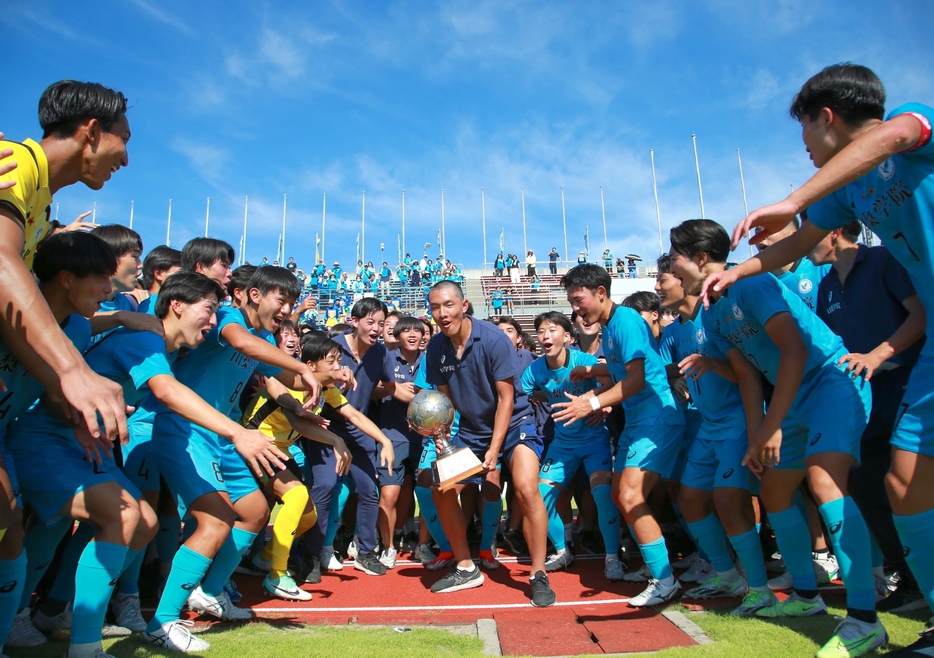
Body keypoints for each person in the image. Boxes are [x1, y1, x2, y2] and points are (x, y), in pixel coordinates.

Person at [702, 64, 934, 656]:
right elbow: (795, 244)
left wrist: (794, 198)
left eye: (804, 134)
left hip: (848, 377)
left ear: (825, 118)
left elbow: (897, 135)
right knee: (903, 482)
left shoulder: (909, 124)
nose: (804, 150)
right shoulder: (845, 192)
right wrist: (735, 271)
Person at [688, 218, 884, 657]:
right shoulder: (711, 308)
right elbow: (749, 375)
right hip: (791, 396)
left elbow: (795, 349)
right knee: (775, 491)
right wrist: (758, 434)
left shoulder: (751, 284)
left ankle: (865, 619)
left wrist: (772, 425)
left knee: (823, 481)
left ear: (700, 259)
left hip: (830, 379)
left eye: (675, 257)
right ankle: (806, 599)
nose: (670, 265)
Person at [143, 266, 323, 652]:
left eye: (293, 302)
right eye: (282, 299)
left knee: (256, 512)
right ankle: (162, 621)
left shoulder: (263, 337)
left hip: (226, 438)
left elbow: (276, 377)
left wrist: (313, 389)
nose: (287, 309)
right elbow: (243, 345)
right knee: (216, 519)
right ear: (254, 295)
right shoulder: (227, 317)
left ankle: (208, 592)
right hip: (188, 430)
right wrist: (302, 367)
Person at [0, 81, 131, 447]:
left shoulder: (41, 205)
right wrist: (72, 370)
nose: (125, 159)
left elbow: (10, 307)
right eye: (124, 138)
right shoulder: (14, 162)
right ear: (91, 132)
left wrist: (58, 387)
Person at [811, 220, 926, 611]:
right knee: (866, 483)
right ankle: (909, 580)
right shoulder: (826, 285)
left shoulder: (883, 260)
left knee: (907, 484)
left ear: (834, 231)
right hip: (862, 398)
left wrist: (878, 355)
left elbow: (921, 313)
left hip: (908, 387)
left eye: (810, 231)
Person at [554, 264, 685, 607]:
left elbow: (636, 380)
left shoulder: (625, 321)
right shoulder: (611, 327)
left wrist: (591, 402)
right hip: (638, 422)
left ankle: (665, 580)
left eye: (579, 299)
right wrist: (590, 370)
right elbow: (617, 370)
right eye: (571, 301)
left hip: (656, 420)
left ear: (600, 292)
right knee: (620, 494)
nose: (575, 308)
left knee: (629, 496)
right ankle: (656, 567)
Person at [655, 253, 775, 614]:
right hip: (709, 425)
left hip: (738, 420)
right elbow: (661, 367)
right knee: (690, 499)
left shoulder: (716, 315)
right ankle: (727, 576)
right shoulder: (677, 329)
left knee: (729, 499)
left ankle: (759, 588)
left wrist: (712, 364)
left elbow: (748, 375)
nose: (658, 287)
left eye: (665, 279)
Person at [424, 281, 555, 607]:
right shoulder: (436, 348)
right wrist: (443, 439)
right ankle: (467, 567)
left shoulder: (493, 339)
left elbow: (507, 398)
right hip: (471, 432)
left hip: (514, 425)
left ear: (464, 304)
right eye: (436, 308)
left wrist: (494, 451)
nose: (442, 313)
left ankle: (538, 573)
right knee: (439, 488)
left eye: (448, 305)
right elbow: (445, 401)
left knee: (525, 487)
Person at [522, 312, 623, 581]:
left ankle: (613, 557)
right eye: (541, 331)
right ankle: (562, 550)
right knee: (541, 494)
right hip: (563, 444)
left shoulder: (585, 362)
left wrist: (599, 402)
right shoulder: (534, 369)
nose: (545, 336)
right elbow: (526, 394)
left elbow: (613, 383)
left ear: (567, 337)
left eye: (552, 330)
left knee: (602, 494)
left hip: (594, 441)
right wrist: (542, 397)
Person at [303, 298, 396, 580]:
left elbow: (387, 388)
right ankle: (310, 554)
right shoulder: (332, 345)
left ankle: (365, 552)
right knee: (326, 487)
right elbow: (304, 375)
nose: (377, 328)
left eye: (381, 323)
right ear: (354, 321)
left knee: (369, 490)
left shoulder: (380, 353)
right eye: (371, 322)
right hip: (324, 427)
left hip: (359, 429)